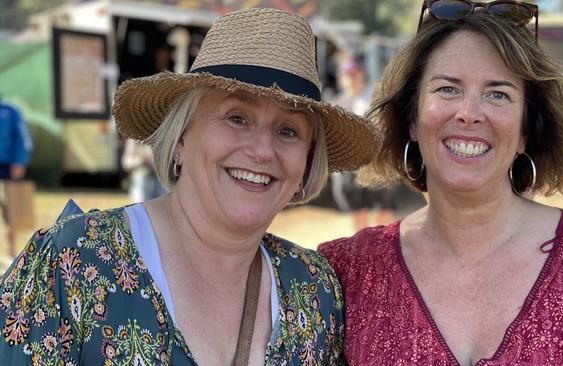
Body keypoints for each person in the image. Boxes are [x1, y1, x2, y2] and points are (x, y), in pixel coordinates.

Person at [0, 8, 378, 365]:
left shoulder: (314, 291)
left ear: (308, 160)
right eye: (237, 117)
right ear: (181, 136)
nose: (263, 151)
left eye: (288, 131)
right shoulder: (72, 263)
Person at [319, 1, 563, 365]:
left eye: (498, 94)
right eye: (447, 89)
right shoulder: (343, 275)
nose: (469, 113)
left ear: (526, 131)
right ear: (411, 119)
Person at [329, 54, 396, 229]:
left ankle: (384, 247)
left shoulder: (376, 98)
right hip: (351, 168)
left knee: (383, 209)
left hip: (376, 163)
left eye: (354, 74)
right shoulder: (338, 103)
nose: (351, 79)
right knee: (358, 210)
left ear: (361, 74)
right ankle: (362, 249)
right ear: (341, 78)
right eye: (347, 75)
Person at [0, 97, 33, 257]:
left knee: (12, 210)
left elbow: (23, 138)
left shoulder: (9, 110)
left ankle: (13, 252)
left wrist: (19, 161)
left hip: (7, 165)